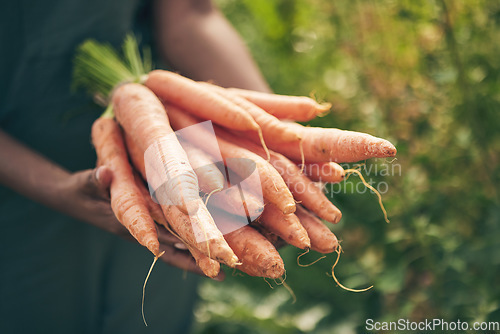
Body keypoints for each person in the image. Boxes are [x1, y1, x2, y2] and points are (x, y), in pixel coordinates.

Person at [0, 0, 270, 333]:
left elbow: (190, 14)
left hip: (158, 191)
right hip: (18, 194)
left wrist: (270, 139)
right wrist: (54, 187)